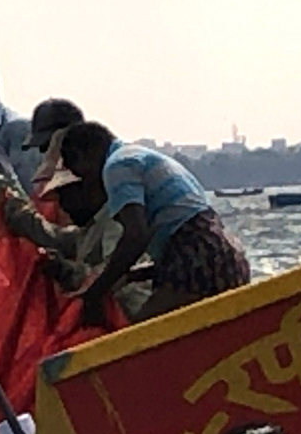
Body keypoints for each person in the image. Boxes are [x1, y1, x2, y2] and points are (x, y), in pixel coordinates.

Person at [58, 122, 250, 324]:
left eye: (83, 174)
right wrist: (131, 276)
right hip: (227, 257)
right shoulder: (143, 156)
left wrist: (94, 294)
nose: (90, 184)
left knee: (140, 338)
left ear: (86, 153)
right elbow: (181, 234)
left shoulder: (116, 166)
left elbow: (136, 236)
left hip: (197, 258)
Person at [37, 168, 154, 320]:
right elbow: (52, 236)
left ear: (86, 190)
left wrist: (70, 272)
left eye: (67, 198)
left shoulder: (115, 220)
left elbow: (116, 272)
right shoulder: (88, 230)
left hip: (136, 316)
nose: (64, 207)